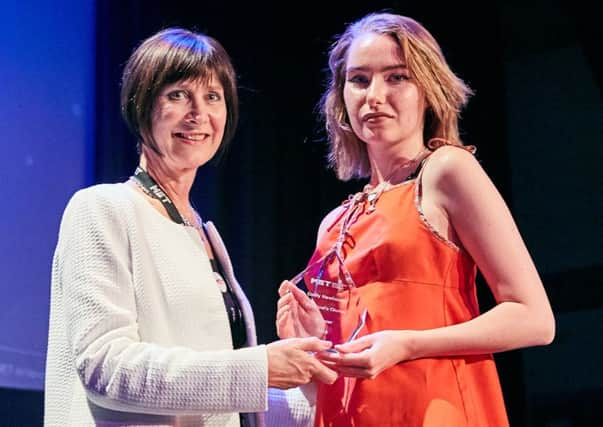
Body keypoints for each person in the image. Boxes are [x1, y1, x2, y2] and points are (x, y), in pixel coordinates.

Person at [44, 27, 336, 427]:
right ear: (141, 104)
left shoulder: (202, 231)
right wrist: (258, 368)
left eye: (212, 97)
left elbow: (219, 405)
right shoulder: (102, 208)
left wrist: (311, 376)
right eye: (178, 94)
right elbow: (104, 366)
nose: (198, 113)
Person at [276, 12, 555, 427]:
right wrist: (315, 338)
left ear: (428, 89)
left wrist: (407, 344)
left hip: (435, 406)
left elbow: (534, 318)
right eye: (359, 79)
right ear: (341, 98)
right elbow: (338, 365)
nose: (373, 95)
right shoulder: (335, 221)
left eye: (396, 77)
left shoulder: (446, 171)